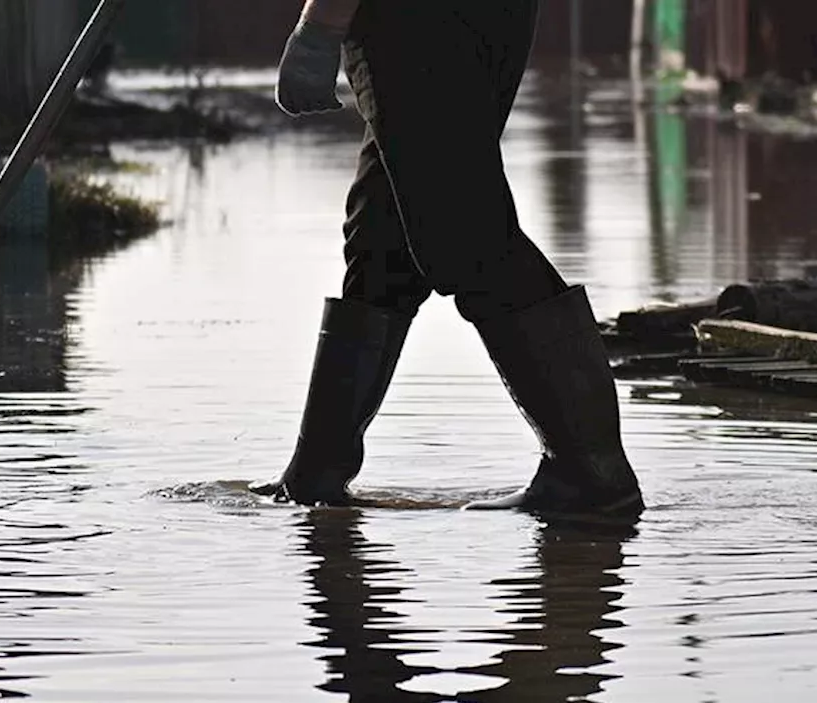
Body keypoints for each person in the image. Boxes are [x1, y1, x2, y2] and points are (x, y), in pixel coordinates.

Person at [249, 0, 645, 521]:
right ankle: (316, 473)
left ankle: (593, 475)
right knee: (385, 242)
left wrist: (319, 24)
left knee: (463, 235)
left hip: (414, 21)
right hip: (483, 17)